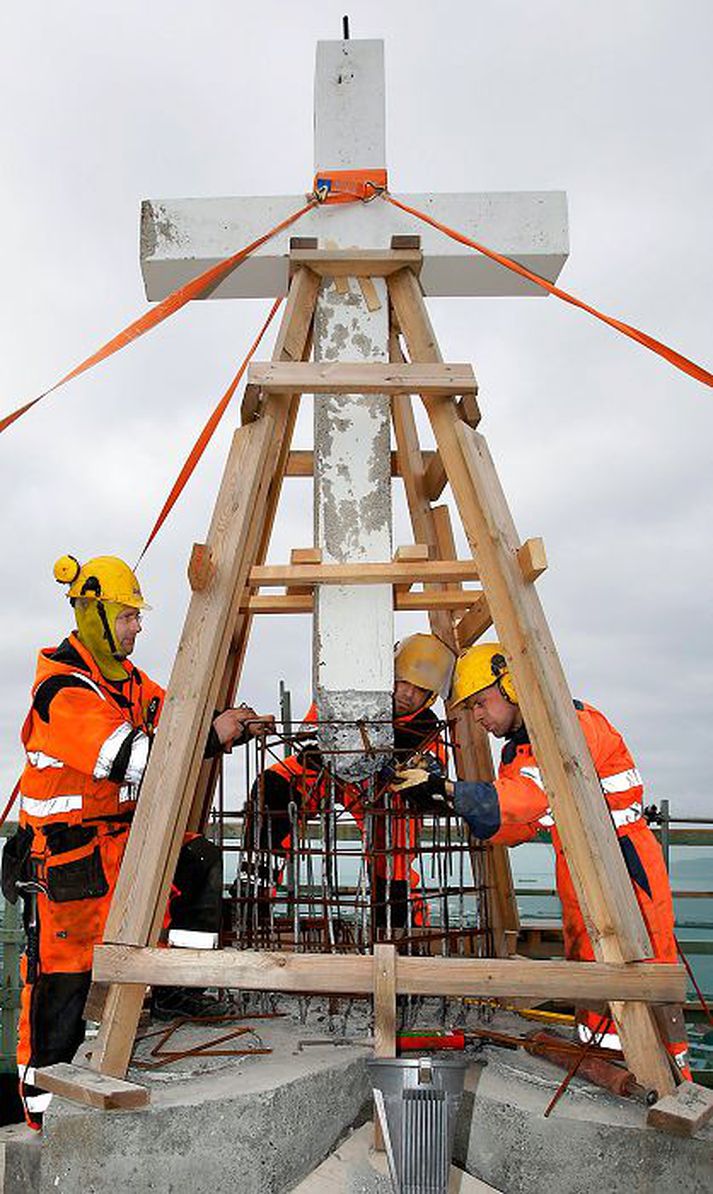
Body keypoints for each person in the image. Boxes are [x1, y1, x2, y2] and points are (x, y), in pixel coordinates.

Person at [2, 554, 274, 1128]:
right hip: (67, 862)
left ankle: (177, 988)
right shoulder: (63, 692)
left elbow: (177, 714)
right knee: (63, 983)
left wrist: (227, 717)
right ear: (93, 614)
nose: (137, 626)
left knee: (197, 858)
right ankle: (42, 1112)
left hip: (118, 846)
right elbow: (134, 759)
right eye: (128, 616)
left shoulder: (127, 683)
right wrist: (213, 734)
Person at [395, 641, 691, 1078]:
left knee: (643, 969)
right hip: (578, 863)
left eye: (479, 703)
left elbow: (529, 797)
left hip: (623, 864)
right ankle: (609, 1062)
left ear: (511, 684)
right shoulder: (518, 748)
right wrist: (449, 802)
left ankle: (669, 1075)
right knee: (590, 969)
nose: (477, 717)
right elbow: (514, 825)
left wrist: (454, 790)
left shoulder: (569, 724)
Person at [244, 633, 454, 931]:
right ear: (385, 676)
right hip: (330, 774)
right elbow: (311, 734)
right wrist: (321, 746)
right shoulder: (348, 699)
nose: (407, 694)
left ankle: (399, 930)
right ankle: (254, 896)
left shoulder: (428, 730)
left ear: (430, 696)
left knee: (395, 848)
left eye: (419, 690)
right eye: (402, 682)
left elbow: (434, 772)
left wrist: (423, 779)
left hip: (383, 794)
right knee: (275, 784)